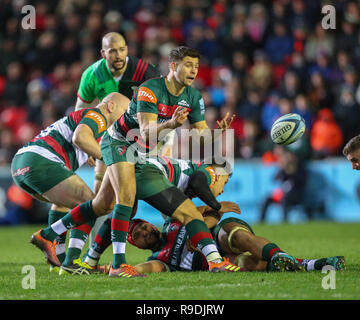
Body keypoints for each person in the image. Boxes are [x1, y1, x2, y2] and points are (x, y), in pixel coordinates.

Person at [34, 46, 236, 278]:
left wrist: (216, 134)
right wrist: (170, 124)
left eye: (197, 66)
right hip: (119, 143)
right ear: (173, 66)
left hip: (141, 153)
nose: (194, 71)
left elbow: (200, 135)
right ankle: (119, 264)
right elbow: (147, 131)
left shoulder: (193, 97)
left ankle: (48, 234)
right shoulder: (149, 90)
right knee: (126, 200)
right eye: (188, 65)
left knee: (102, 205)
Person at [32, 155, 246, 277]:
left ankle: (64, 243)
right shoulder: (209, 172)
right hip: (147, 172)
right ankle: (215, 262)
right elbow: (200, 181)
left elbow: (177, 214)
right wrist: (216, 205)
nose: (223, 188)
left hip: (127, 166)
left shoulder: (185, 175)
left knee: (102, 208)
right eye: (224, 183)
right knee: (191, 216)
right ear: (219, 174)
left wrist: (210, 210)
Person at [74, 32, 170, 246]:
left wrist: (165, 143)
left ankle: (174, 242)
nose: (118, 55)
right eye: (112, 51)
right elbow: (81, 110)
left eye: (122, 49)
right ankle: (92, 254)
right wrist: (88, 146)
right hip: (110, 142)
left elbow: (164, 110)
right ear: (103, 53)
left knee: (163, 193)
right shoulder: (92, 74)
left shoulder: (146, 72)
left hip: (144, 142)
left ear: (127, 49)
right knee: (101, 199)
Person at [11, 92, 129, 266]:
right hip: (40, 162)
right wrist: (106, 157)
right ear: (111, 106)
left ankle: (57, 258)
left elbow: (82, 139)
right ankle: (67, 258)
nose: (125, 119)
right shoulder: (97, 115)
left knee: (67, 204)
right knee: (90, 205)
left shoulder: (93, 128)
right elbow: (80, 137)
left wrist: (94, 152)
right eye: (124, 112)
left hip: (21, 164)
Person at [260, 148, 307, 223]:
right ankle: (261, 221)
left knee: (285, 199)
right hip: (283, 195)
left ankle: (284, 221)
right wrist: (282, 167)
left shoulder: (300, 170)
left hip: (296, 196)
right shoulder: (283, 170)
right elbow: (275, 178)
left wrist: (292, 170)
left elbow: (301, 183)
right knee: (267, 199)